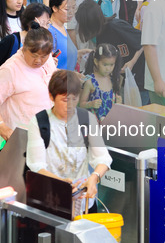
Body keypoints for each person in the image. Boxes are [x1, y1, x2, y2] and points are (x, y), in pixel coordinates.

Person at [26, 70, 112, 211]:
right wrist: (61, 184)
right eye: (65, 100)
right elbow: (37, 166)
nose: (70, 105)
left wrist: (94, 177)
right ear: (51, 96)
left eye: (75, 99)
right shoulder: (39, 122)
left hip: (83, 202)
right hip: (51, 200)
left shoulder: (86, 118)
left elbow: (103, 157)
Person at [0, 23, 57, 141]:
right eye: (34, 55)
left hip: (47, 133)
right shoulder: (11, 69)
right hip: (20, 137)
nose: (38, 60)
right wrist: (2, 127)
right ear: (24, 48)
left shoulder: (48, 61)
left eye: (43, 56)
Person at [75, 0, 147, 105]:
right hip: (123, 80)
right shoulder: (99, 35)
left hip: (140, 77)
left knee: (140, 113)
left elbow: (143, 40)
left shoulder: (116, 26)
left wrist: (132, 62)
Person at [80, 43, 123, 122]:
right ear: (96, 61)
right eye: (105, 65)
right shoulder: (90, 81)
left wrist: (119, 103)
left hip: (111, 124)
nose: (108, 69)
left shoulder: (114, 80)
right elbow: (81, 104)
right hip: (94, 126)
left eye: (111, 65)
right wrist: (90, 104)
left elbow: (115, 103)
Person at [48, 0, 78, 70]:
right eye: (67, 9)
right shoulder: (49, 32)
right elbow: (46, 67)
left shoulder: (62, 26)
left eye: (74, 8)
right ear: (54, 8)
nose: (71, 12)